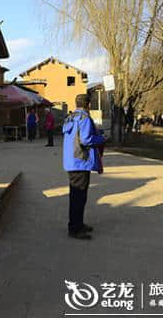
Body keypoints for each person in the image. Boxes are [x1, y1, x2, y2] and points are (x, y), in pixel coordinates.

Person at [62, 94, 105, 240]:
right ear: (89, 105)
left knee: (76, 196)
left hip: (71, 162)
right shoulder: (84, 118)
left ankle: (77, 224)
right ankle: (75, 229)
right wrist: (101, 138)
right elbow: (86, 139)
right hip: (80, 161)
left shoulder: (71, 117)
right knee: (79, 197)